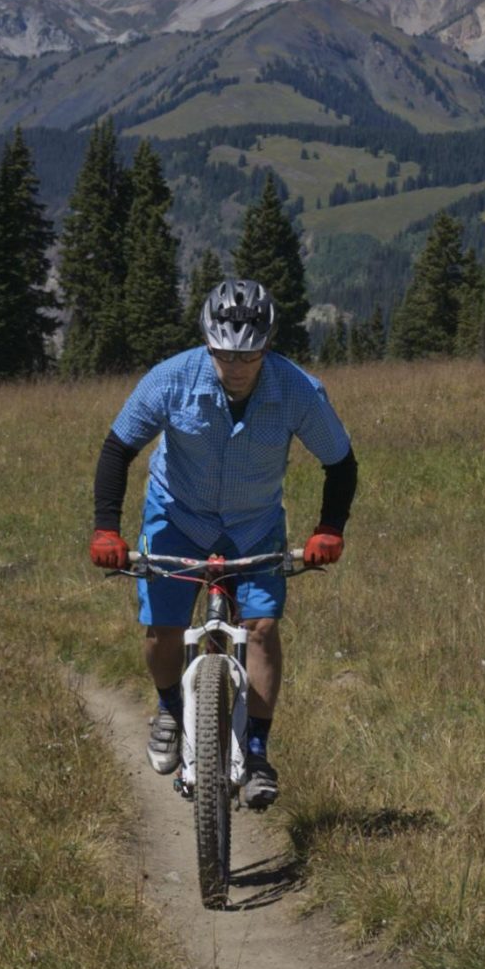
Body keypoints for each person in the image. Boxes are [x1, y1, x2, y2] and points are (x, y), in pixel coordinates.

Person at [89, 276, 357, 809]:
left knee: (260, 629)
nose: (234, 367)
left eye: (248, 357)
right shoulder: (170, 379)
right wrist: (105, 529)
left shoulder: (298, 389)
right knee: (163, 629)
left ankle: (256, 752)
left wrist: (329, 529)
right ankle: (169, 707)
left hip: (254, 524)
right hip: (177, 516)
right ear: (207, 343)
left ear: (267, 348)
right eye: (223, 355)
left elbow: (340, 463)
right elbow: (117, 449)